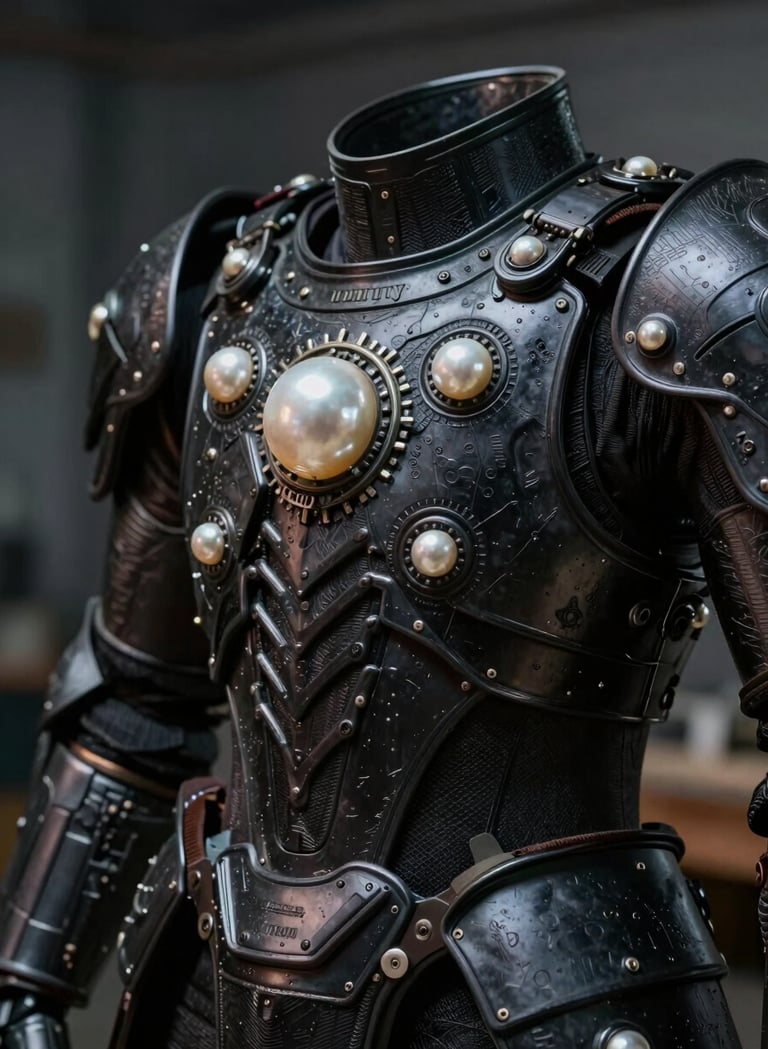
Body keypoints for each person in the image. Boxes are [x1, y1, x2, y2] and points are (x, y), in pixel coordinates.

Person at [0, 64, 766, 1048]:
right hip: (217, 998)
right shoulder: (214, 299)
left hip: (546, 1005)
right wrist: (25, 983)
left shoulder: (688, 280)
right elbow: (130, 697)